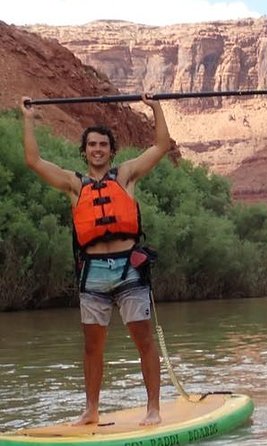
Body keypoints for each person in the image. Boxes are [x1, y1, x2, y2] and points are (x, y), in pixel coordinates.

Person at [20, 94, 171, 426]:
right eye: (92, 145)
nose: (98, 149)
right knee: (92, 347)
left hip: (129, 270)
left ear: (111, 150)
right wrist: (28, 118)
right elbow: (33, 161)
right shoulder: (74, 185)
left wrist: (156, 107)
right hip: (93, 275)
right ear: (84, 151)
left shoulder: (126, 175)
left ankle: (153, 409)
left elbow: (161, 146)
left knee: (144, 340)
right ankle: (90, 410)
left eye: (103, 144)